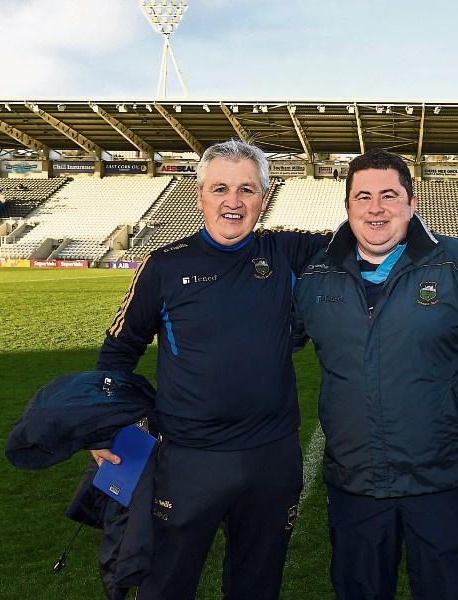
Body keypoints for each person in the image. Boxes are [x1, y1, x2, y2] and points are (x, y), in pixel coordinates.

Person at [292, 149, 458, 600]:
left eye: (389, 195)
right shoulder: (316, 275)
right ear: (347, 207)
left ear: (411, 202)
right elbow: (263, 347)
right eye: (362, 196)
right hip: (355, 487)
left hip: (441, 483)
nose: (376, 208)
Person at [93, 139, 329, 599]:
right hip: (187, 462)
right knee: (165, 586)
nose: (233, 202)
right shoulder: (163, 266)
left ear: (264, 197)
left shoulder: (287, 253)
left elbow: (368, 231)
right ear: (200, 194)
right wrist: (103, 427)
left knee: (257, 588)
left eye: (248, 189)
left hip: (272, 460)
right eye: (220, 188)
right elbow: (117, 353)